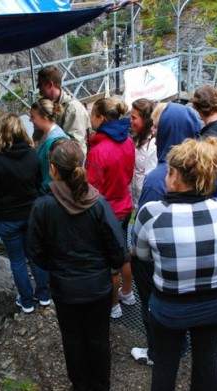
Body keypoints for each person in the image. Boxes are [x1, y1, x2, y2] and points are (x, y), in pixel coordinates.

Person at [133, 138, 217, 391]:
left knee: (165, 365)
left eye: (168, 171)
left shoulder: (152, 213)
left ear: (176, 176)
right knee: (207, 361)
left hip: (170, 307)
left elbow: (142, 255)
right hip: (215, 303)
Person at [27, 140, 126, 391]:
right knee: (99, 339)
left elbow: (34, 251)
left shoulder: (43, 206)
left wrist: (55, 267)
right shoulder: (97, 203)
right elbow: (118, 249)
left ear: (53, 169)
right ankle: (101, 385)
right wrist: (106, 267)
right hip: (98, 287)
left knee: (72, 339)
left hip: (64, 287)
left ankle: (80, 385)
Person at [130, 101, 202, 365]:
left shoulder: (158, 177)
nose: (154, 133)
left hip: (159, 262)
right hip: (192, 260)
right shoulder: (204, 168)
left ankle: (156, 352)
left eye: (159, 128)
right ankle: (180, 344)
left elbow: (144, 234)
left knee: (154, 305)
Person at [0, 113, 50, 314]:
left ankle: (27, 301)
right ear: (21, 130)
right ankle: (44, 295)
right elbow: (39, 185)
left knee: (18, 261)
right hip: (31, 214)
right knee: (36, 255)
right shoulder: (32, 155)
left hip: (7, 218)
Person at [86, 97, 136, 319]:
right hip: (125, 204)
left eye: (92, 115)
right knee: (123, 252)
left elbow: (92, 187)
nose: (90, 119)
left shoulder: (99, 151)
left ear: (101, 118)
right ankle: (128, 292)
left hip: (107, 211)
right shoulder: (128, 141)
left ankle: (113, 304)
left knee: (109, 262)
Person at [37, 65, 91, 154]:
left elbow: (75, 147)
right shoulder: (46, 104)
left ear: (50, 84)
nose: (39, 90)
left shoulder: (73, 109)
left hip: (66, 163)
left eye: (40, 85)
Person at [29, 98, 70, 193]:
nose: (30, 120)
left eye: (33, 117)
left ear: (45, 117)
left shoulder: (55, 141)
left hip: (50, 192)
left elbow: (54, 177)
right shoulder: (47, 134)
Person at [130, 98, 157, 210]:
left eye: (134, 118)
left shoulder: (153, 145)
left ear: (145, 120)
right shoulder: (136, 138)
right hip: (136, 198)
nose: (130, 121)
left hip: (147, 200)